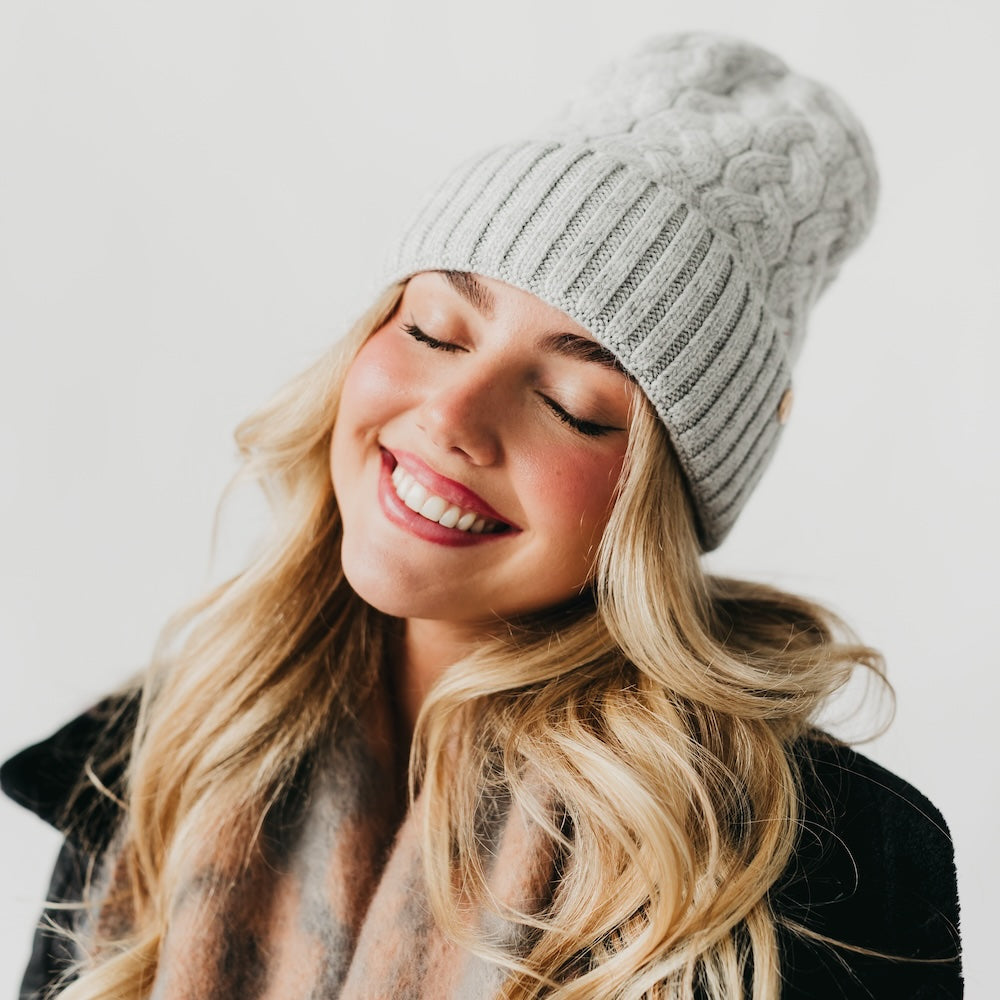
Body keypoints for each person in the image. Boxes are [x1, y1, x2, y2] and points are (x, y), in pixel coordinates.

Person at [2, 32, 962, 1000]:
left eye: (573, 405)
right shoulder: (168, 751)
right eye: (433, 331)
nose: (451, 418)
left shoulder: (813, 856)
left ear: (666, 497)